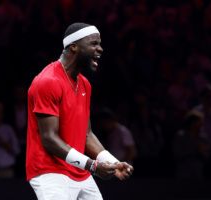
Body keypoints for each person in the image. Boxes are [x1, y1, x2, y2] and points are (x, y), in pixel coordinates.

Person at [26, 22, 134, 200]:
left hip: (80, 172)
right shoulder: (47, 81)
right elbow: (49, 139)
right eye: (93, 44)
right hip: (50, 173)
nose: (100, 49)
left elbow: (86, 134)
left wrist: (113, 163)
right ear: (73, 46)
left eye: (99, 44)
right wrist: (92, 165)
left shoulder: (84, 84)